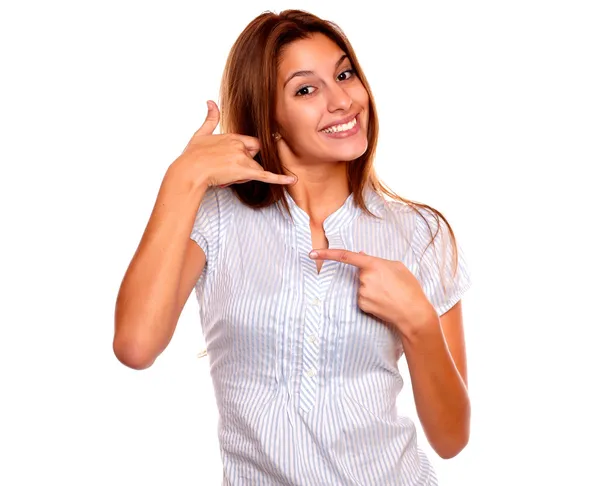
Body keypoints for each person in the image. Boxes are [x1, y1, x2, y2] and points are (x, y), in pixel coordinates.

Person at [114, 9, 473, 486]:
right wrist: (184, 177)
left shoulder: (421, 233)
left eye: (344, 74)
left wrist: (419, 323)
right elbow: (136, 346)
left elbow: (452, 439)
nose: (343, 100)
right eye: (306, 89)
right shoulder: (216, 218)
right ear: (271, 117)